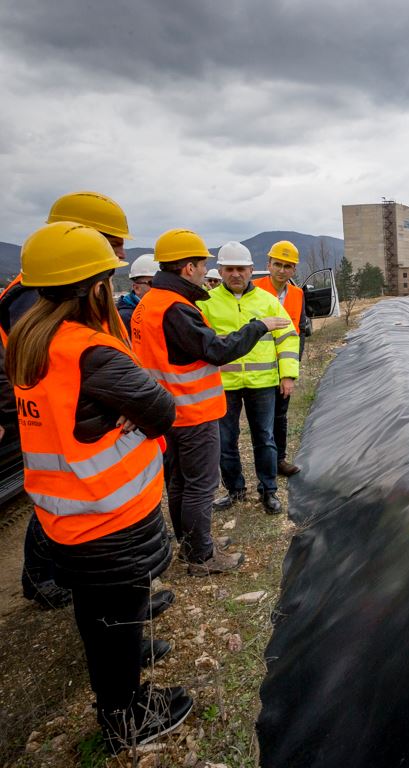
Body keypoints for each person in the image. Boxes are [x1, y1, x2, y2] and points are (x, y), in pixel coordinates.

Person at [7, 221, 191, 752]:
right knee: (116, 616)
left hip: (63, 513)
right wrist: (128, 408)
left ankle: (118, 697)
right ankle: (125, 719)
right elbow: (161, 410)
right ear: (95, 287)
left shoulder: (26, 342)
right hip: (112, 515)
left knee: (97, 614)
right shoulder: (91, 351)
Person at [0, 192, 174, 621]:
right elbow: (69, 376)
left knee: (64, 512)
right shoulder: (41, 302)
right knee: (63, 507)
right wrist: (122, 404)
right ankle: (47, 581)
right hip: (80, 463)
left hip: (80, 443)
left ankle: (119, 603)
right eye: (112, 243)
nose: (120, 254)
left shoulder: (40, 293)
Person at [133, 229, 288, 574]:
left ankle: (192, 544)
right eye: (203, 264)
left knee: (179, 482)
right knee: (199, 486)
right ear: (188, 267)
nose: (207, 271)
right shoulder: (176, 308)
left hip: (167, 410)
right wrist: (258, 326)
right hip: (191, 411)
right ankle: (200, 556)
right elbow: (216, 350)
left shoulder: (150, 303)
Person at [200, 242, 298, 514]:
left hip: (263, 383)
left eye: (241, 269)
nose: (235, 274)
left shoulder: (268, 302)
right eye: (229, 269)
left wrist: (288, 374)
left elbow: (288, 338)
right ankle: (235, 490)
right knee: (225, 441)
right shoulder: (206, 304)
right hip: (224, 385)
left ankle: (268, 490)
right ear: (220, 271)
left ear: (251, 270)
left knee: (265, 438)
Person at [252, 240, 308, 476]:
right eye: (277, 264)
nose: (282, 270)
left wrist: (292, 369)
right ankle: (264, 467)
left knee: (280, 415)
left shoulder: (297, 294)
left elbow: (300, 330)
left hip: (284, 366)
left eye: (287, 266)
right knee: (261, 421)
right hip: (258, 368)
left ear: (293, 269)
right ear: (269, 265)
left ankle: (279, 460)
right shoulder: (253, 289)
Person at [117, 253, 158, 334]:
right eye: (153, 283)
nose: (159, 288)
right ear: (136, 288)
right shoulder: (125, 318)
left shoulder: (157, 310)